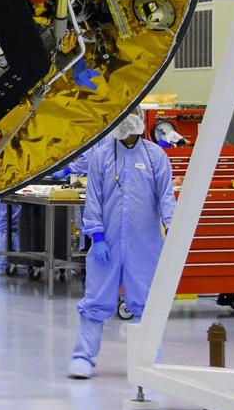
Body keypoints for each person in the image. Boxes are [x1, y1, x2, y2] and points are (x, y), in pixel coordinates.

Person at [67, 108, 175, 379]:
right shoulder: (101, 157)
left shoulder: (155, 157)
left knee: (146, 302)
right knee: (96, 300)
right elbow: (93, 200)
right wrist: (97, 236)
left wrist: (173, 229)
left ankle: (149, 360)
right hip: (108, 244)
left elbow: (166, 197)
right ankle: (83, 357)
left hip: (145, 244)